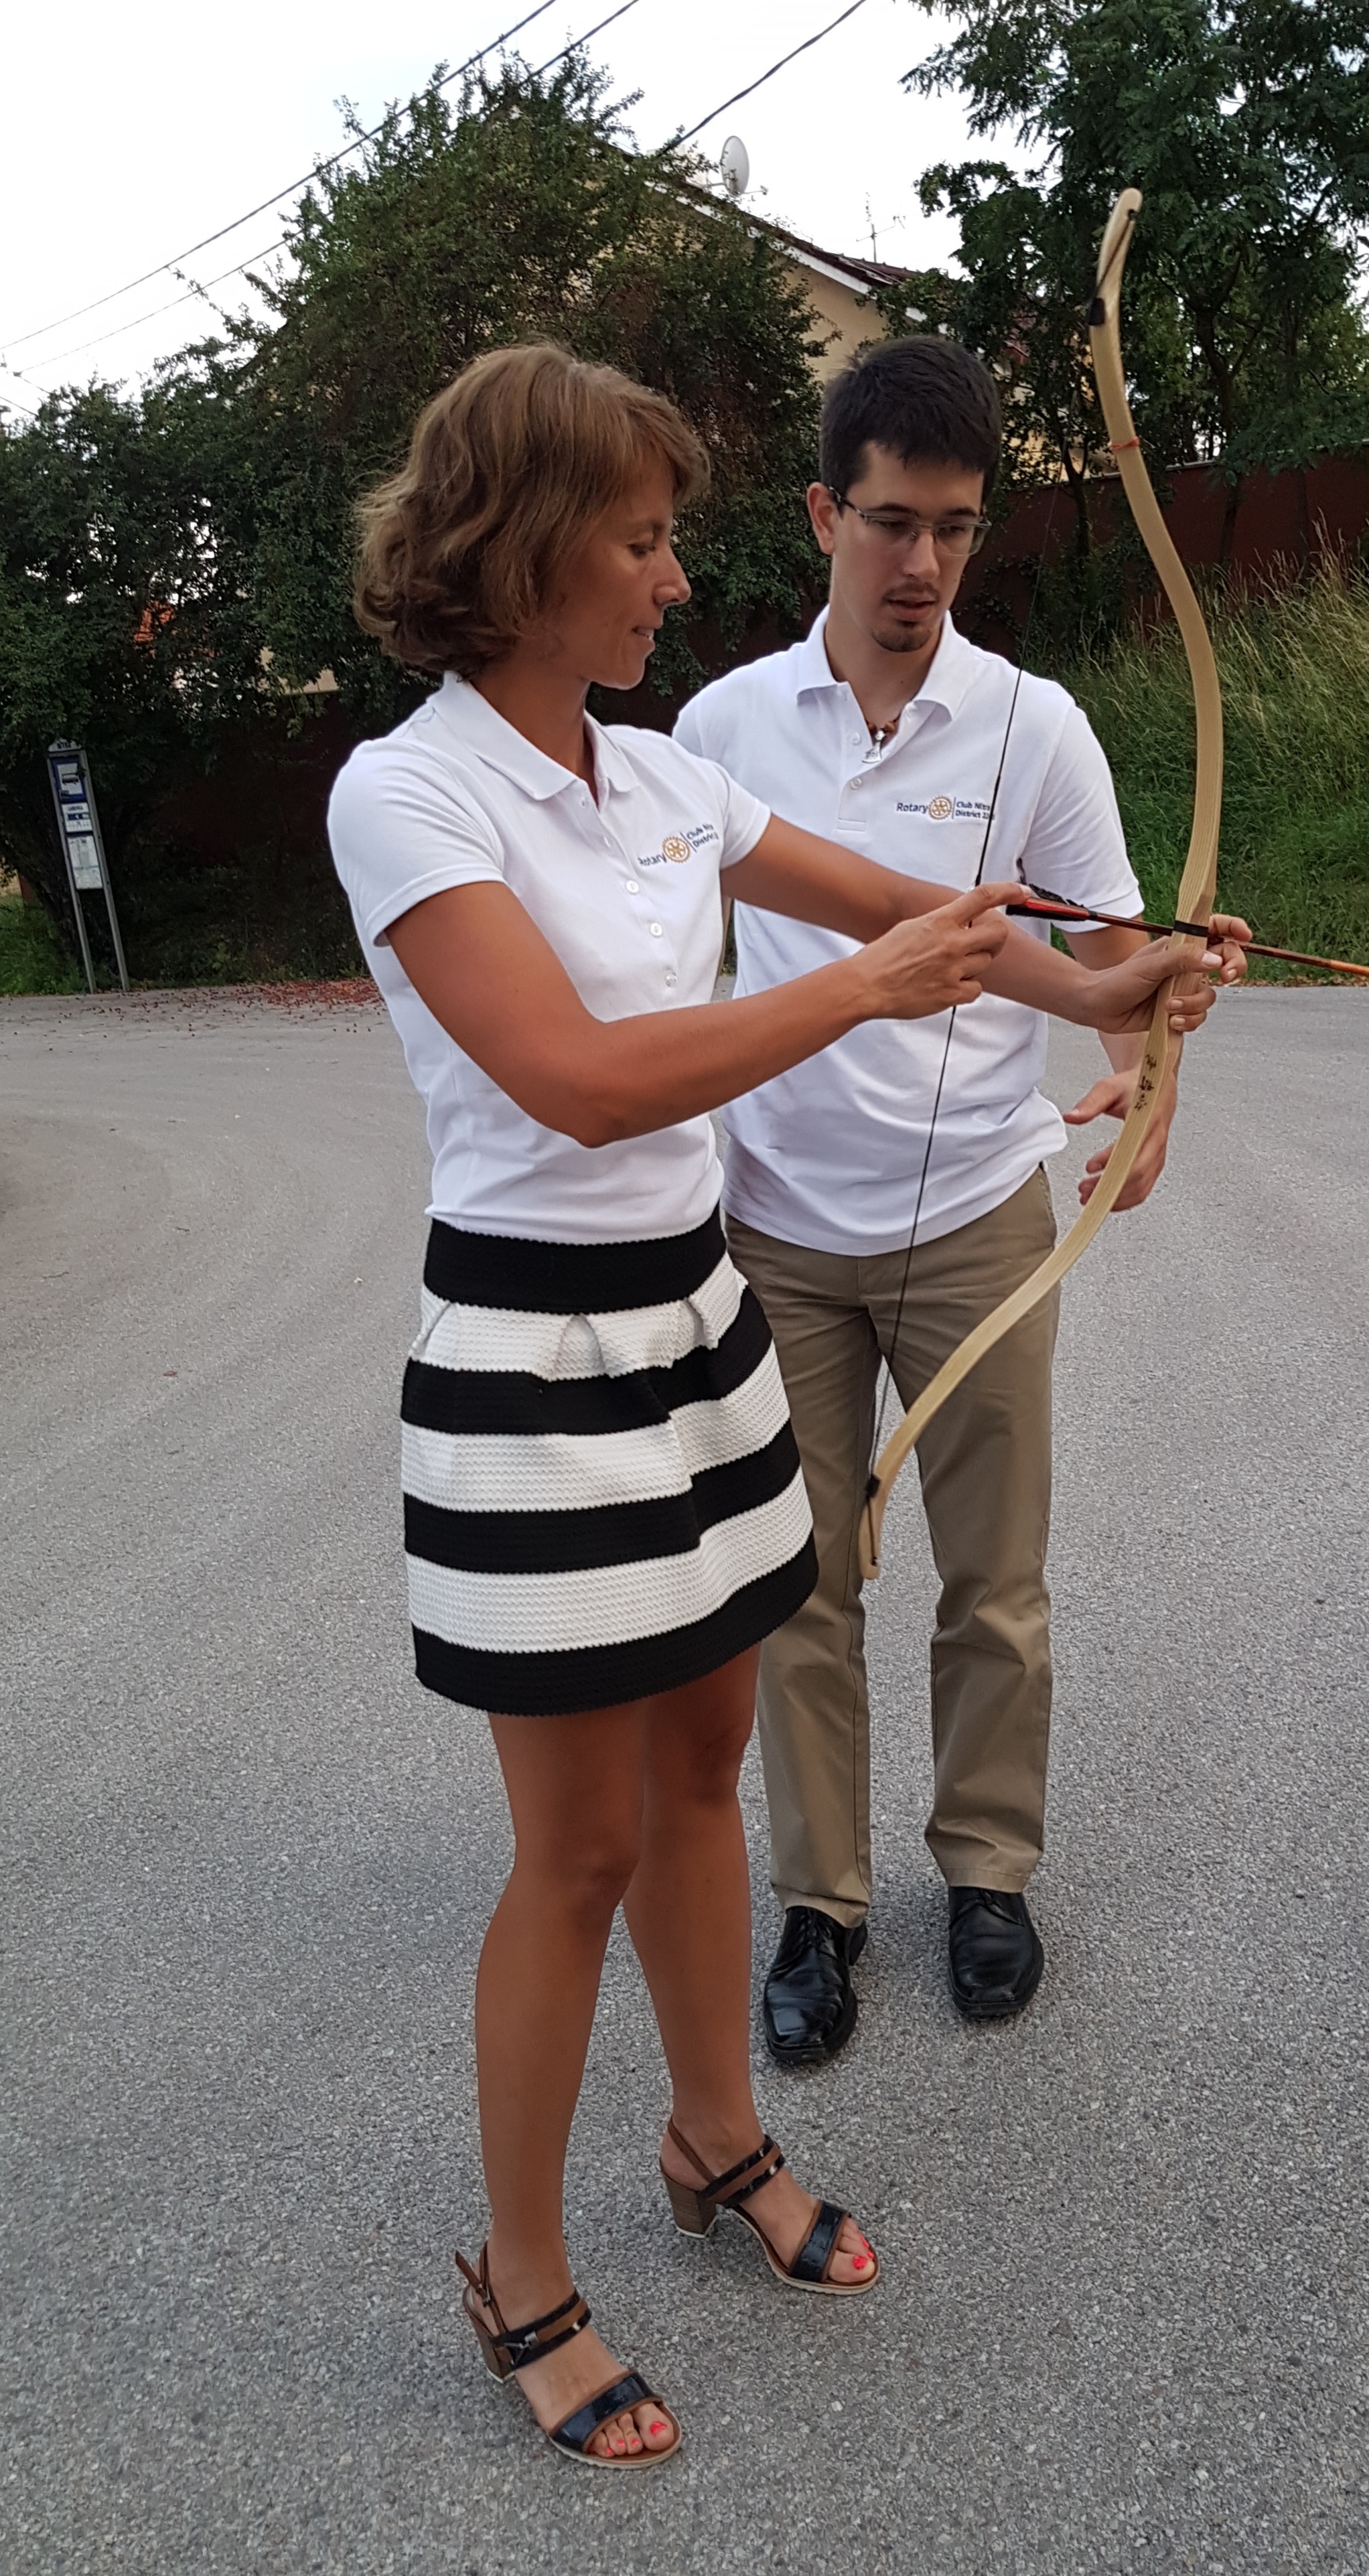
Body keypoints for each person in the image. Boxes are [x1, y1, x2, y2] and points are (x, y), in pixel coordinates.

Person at [327, 340, 1238, 2468]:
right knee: (573, 1848)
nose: (673, 578)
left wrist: (1114, 981)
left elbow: (940, 919)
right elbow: (573, 1078)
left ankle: (715, 2134)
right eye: (642, 541)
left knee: (707, 1759)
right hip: (541, 1366)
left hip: (702, 1331)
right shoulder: (411, 790)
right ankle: (524, 2272)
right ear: (528, 549)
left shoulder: (661, 776)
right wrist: (868, 985)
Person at [675, 336, 1248, 2060]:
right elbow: (671, 977)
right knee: (798, 1585)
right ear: (822, 517)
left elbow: (1114, 949)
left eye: (952, 527)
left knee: (992, 1580)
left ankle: (986, 1873)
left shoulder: (1031, 724)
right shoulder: (718, 730)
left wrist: (1151, 1056)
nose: (919, 562)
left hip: (982, 1220)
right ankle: (820, 1905)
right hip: (775, 1230)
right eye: (889, 523)